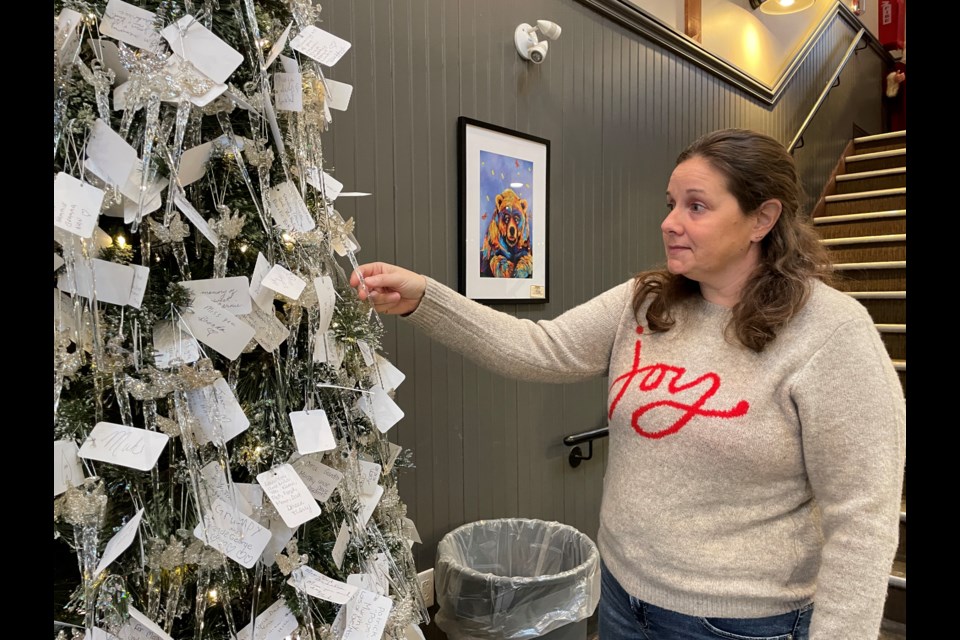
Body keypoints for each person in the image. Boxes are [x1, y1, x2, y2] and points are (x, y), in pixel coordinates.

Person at [350, 129, 906, 640]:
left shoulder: (832, 332)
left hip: (742, 624)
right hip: (620, 599)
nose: (669, 222)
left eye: (697, 206)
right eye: (671, 204)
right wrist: (425, 298)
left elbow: (862, 520)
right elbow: (540, 348)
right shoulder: (645, 300)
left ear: (761, 219)